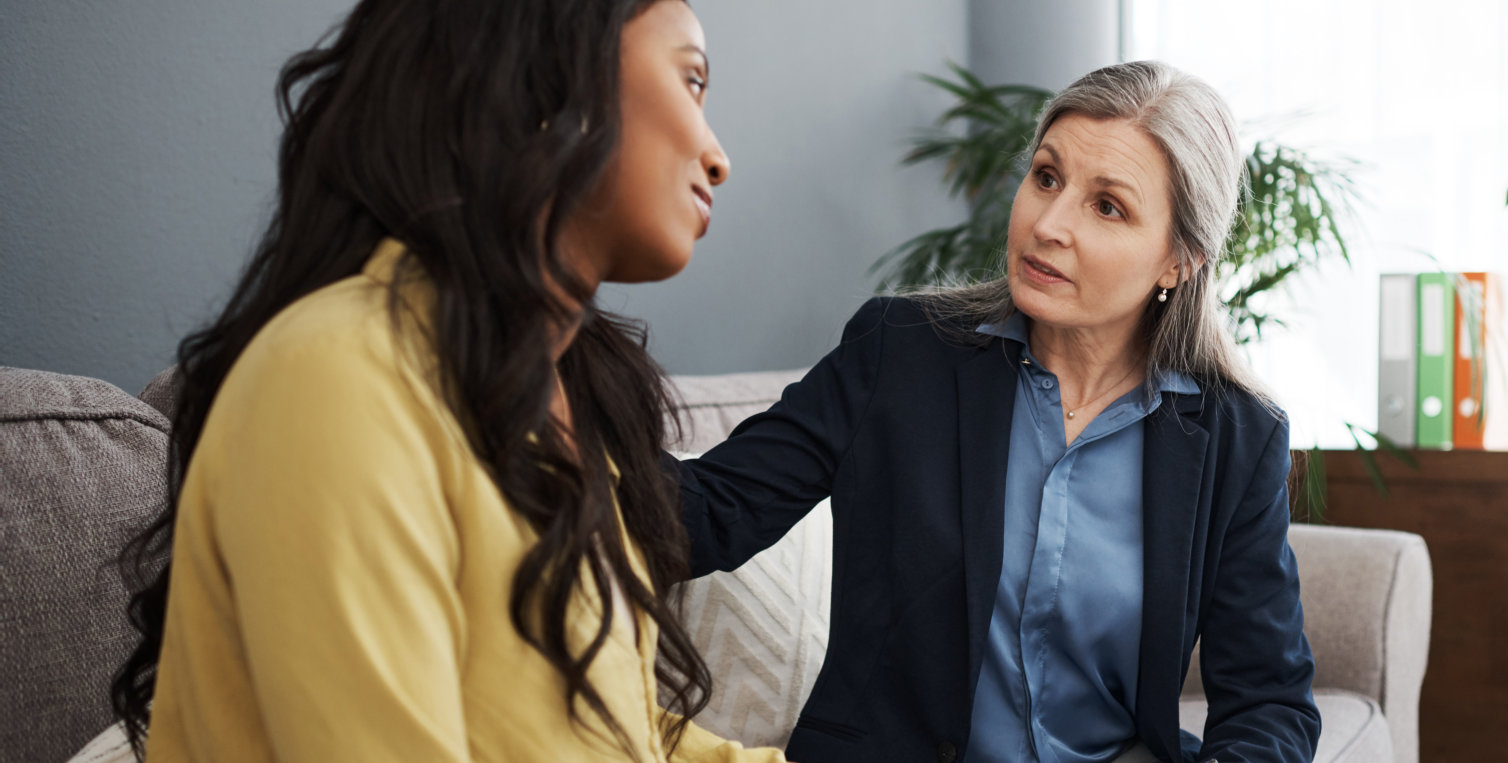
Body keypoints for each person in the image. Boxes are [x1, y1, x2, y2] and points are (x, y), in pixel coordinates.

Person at [108, 1, 781, 761]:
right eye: (691, 79)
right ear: (543, 77)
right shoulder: (339, 376)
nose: (718, 156)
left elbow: (617, 733)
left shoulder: (555, 408)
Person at [674, 60, 1319, 763]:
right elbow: (710, 511)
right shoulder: (900, 353)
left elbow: (1268, 701)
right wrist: (547, 427)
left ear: (1179, 261)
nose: (1049, 224)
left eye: (1108, 206)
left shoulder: (1236, 438)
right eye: (1046, 177)